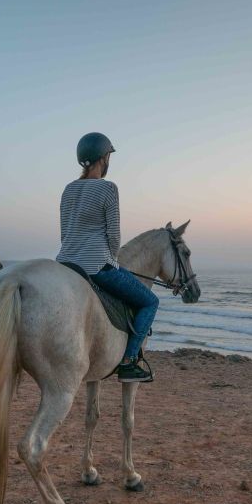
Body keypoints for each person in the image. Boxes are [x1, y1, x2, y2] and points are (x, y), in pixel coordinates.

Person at [56, 132, 158, 383]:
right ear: (104, 157)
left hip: (66, 264)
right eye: (109, 155)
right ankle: (129, 361)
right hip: (96, 266)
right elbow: (113, 236)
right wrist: (112, 260)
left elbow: (63, 233)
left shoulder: (68, 190)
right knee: (150, 302)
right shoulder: (108, 188)